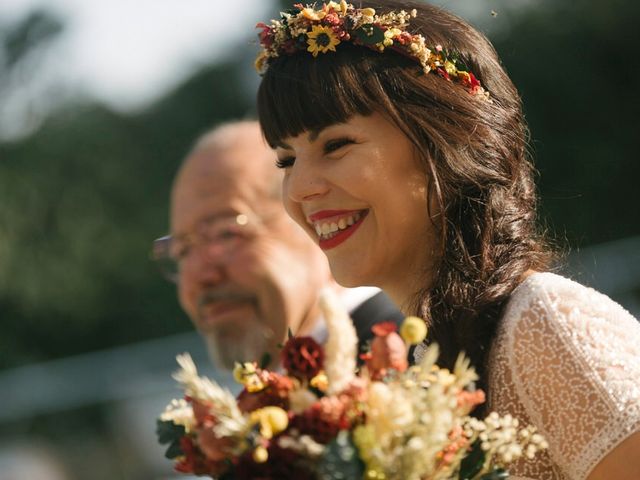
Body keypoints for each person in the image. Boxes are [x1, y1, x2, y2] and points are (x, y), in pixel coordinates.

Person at [253, 1, 640, 479]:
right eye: (285, 161)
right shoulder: (412, 362)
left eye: (336, 145)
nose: (300, 189)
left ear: (446, 140)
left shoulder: (544, 327)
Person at [152, 120, 403, 371]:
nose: (200, 276)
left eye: (225, 234)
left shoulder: (404, 363)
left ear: (313, 215)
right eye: (182, 250)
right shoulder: (276, 396)